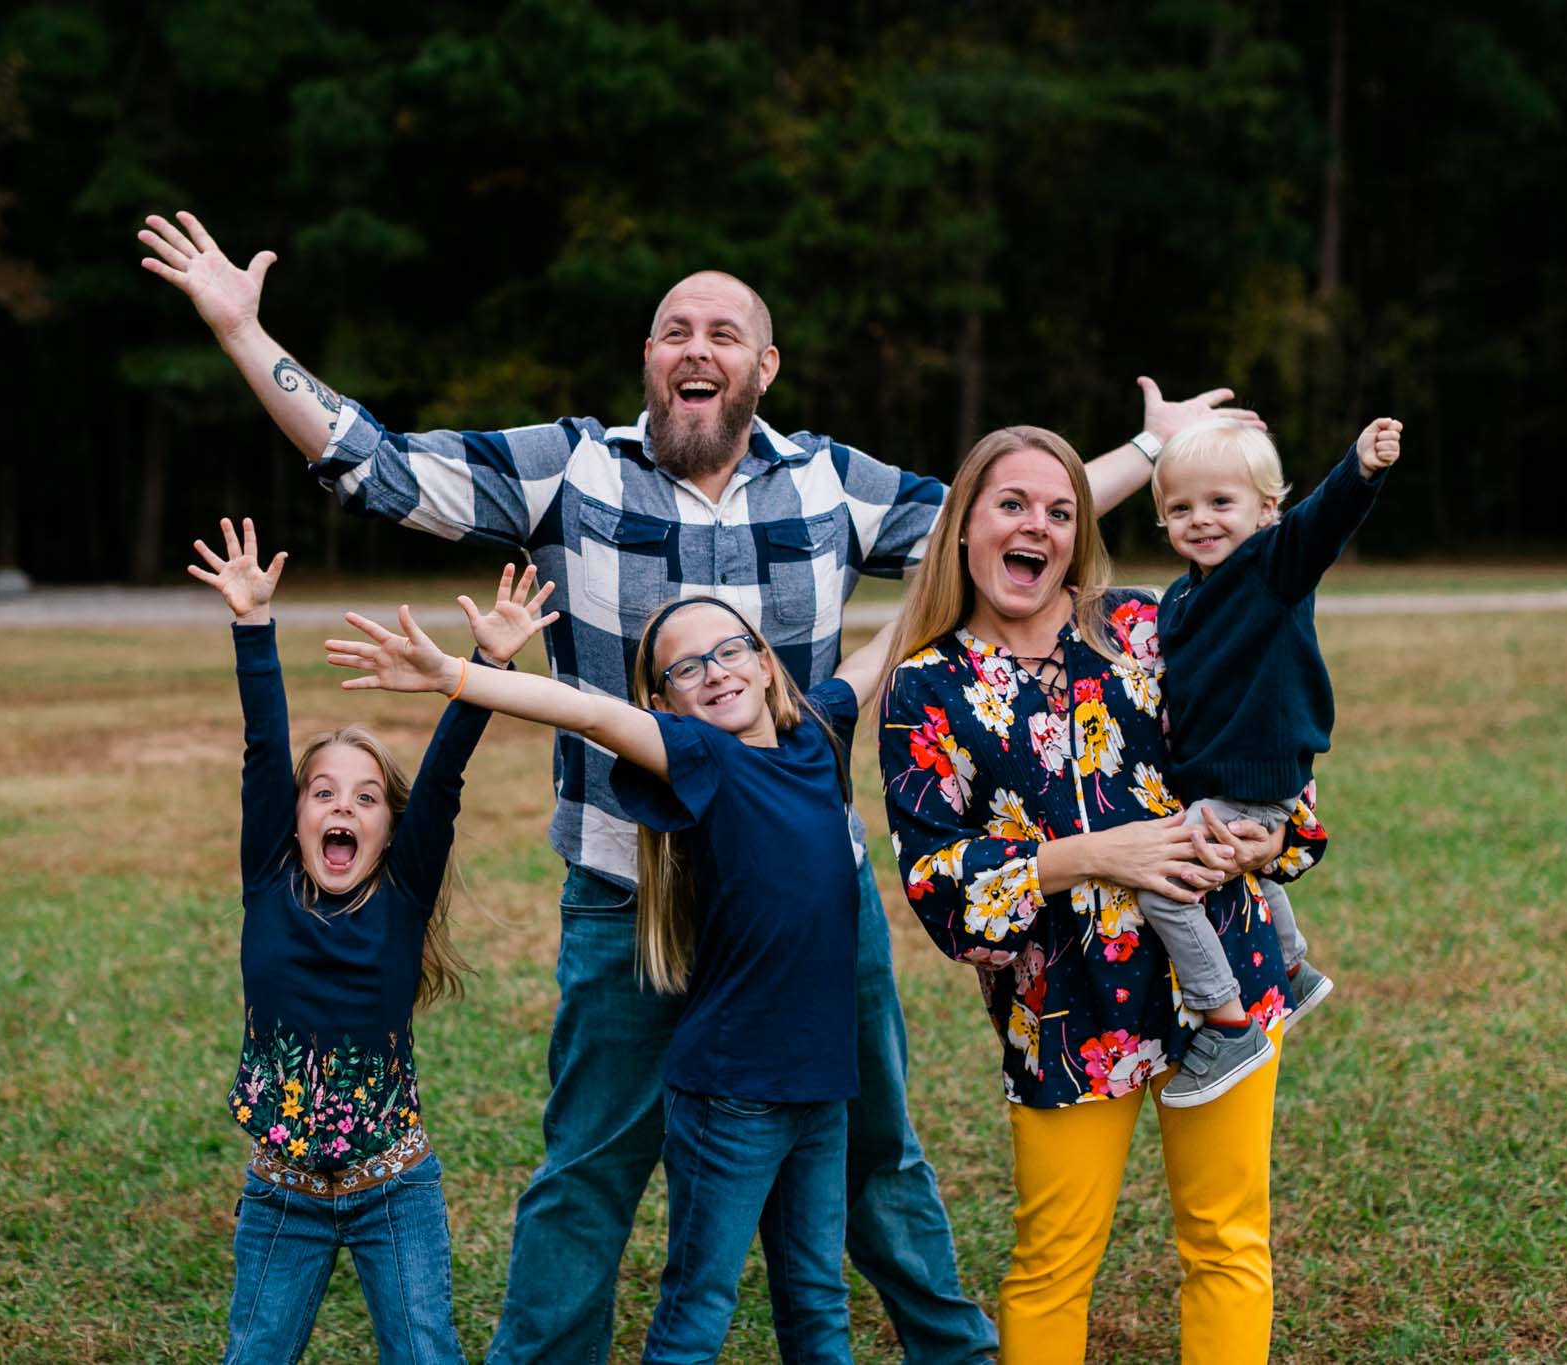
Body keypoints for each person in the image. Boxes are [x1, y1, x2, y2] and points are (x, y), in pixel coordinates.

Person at [140, 207, 1260, 1363]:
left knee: (875, 1153)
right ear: (648, 360)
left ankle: (952, 1351)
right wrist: (240, 331)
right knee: (588, 1169)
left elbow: (1002, 519)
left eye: (724, 331)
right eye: (674, 329)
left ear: (762, 367)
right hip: (628, 894)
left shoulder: (831, 485)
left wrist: (1149, 451)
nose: (695, 346)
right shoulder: (572, 468)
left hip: (805, 900)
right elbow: (380, 467)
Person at [323, 586, 906, 1364]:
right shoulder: (702, 757)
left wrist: (949, 577)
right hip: (734, 1094)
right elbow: (588, 714)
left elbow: (878, 655)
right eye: (687, 669)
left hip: (823, 1085)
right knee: (701, 1304)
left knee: (818, 1298)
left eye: (731, 651)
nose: (716, 673)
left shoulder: (819, 736)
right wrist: (454, 674)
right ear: (665, 702)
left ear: (766, 664)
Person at [877, 428, 1331, 1364]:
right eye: (1012, 504)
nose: (1035, 525)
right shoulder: (925, 687)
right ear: (964, 525)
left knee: (1227, 1241)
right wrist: (1092, 854)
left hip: (1226, 986)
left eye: (1059, 509)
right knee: (1053, 1260)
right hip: (1070, 1012)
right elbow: (936, 881)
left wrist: (1277, 829)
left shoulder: (1138, 625)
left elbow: (1253, 719)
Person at [190, 518, 556, 1364]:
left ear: (390, 829)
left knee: (426, 1352)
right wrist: (252, 623)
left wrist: (490, 666)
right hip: (281, 1194)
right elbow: (261, 749)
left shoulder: (402, 896)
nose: (342, 808)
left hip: (394, 1187)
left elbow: (442, 781)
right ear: (297, 818)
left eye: (364, 797)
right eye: (322, 793)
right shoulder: (268, 879)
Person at [1142, 417, 1402, 1107]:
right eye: (1180, 508)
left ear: (1265, 510)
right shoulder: (1181, 597)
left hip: (1255, 776)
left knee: (1164, 884)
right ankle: (1291, 965)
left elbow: (1325, 521)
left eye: (1220, 503)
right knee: (1238, 865)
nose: (1199, 520)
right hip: (1219, 780)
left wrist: (1360, 468)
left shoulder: (1274, 567)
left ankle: (1227, 1024)